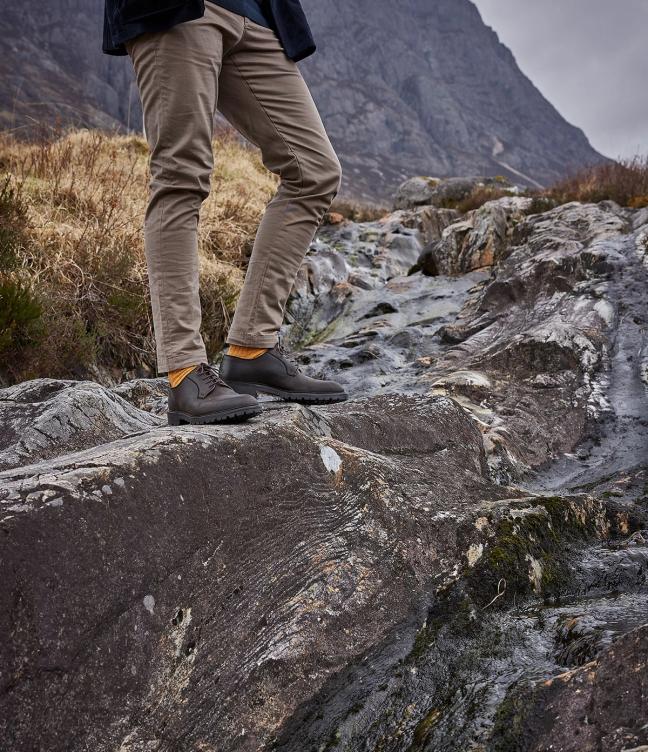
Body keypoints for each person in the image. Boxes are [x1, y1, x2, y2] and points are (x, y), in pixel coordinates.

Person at [102, 0, 348, 425]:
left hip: (255, 13)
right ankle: (184, 372)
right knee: (181, 177)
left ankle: (253, 349)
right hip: (178, 10)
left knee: (315, 172)